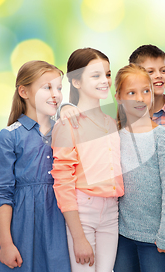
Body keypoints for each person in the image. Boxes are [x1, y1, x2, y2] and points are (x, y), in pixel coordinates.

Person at [0, 60, 71, 272]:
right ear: (24, 91)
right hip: (22, 227)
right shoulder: (10, 136)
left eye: (59, 88)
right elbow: (3, 193)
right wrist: (6, 244)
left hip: (60, 225)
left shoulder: (66, 131)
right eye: (47, 87)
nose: (55, 94)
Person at [51, 48, 124, 272]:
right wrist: (78, 236)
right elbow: (63, 182)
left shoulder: (112, 123)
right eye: (96, 75)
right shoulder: (67, 123)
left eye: (108, 74)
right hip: (83, 211)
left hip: (112, 212)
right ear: (76, 82)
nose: (105, 81)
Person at [112, 63, 165, 272]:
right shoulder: (115, 136)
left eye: (145, 91)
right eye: (131, 92)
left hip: (155, 238)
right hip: (123, 235)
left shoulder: (164, 137)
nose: (140, 98)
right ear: (119, 97)